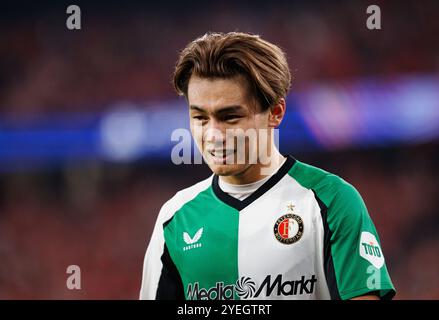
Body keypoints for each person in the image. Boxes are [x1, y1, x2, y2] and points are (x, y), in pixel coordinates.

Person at [139, 32, 395, 300]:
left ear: (275, 112)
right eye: (200, 118)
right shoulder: (174, 216)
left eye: (230, 117)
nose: (213, 134)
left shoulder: (331, 201)